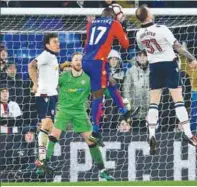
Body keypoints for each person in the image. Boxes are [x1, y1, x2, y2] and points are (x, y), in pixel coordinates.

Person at [135, 5, 197, 155]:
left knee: (153, 102)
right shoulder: (161, 28)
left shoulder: (139, 34)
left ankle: (151, 133)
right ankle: (188, 133)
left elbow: (143, 49)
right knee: (178, 100)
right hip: (169, 64)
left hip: (154, 67)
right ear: (148, 15)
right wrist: (191, 57)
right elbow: (177, 46)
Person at [42, 52, 114, 180]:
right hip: (63, 110)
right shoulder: (63, 77)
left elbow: (101, 91)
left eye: (80, 60)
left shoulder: (88, 78)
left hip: (80, 112)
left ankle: (103, 170)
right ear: (71, 61)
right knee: (53, 135)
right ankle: (44, 163)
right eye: (76, 60)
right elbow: (50, 86)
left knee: (91, 141)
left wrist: (110, 90)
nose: (78, 62)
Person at [82, 7, 138, 143]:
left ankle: (124, 111)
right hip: (98, 62)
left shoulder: (92, 23)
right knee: (98, 96)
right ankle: (95, 130)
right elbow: (125, 44)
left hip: (86, 60)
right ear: (113, 16)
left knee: (111, 82)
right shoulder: (114, 24)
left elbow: (86, 42)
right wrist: (123, 27)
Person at [28, 33, 60, 168]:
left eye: (58, 41)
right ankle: (41, 160)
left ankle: (43, 160)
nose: (58, 44)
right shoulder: (45, 55)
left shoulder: (52, 57)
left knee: (49, 127)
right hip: (45, 95)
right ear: (47, 45)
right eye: (54, 42)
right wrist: (35, 84)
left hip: (51, 95)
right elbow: (31, 65)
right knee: (47, 125)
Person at [122, 50, 149, 131]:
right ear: (136, 58)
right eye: (140, 56)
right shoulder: (131, 71)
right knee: (135, 133)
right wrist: (129, 105)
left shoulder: (153, 69)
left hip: (150, 108)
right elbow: (126, 88)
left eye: (144, 56)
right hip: (135, 108)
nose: (142, 58)